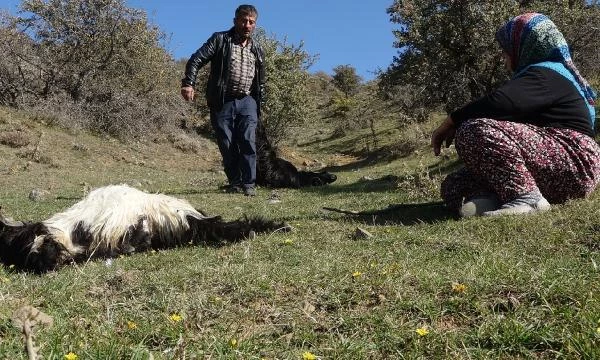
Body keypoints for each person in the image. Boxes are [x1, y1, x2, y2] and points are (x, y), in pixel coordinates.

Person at [431, 12, 599, 217]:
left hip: (574, 161)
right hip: (558, 168)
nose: (503, 57)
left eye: (505, 50)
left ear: (525, 46)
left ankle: (528, 200)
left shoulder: (547, 73)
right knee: (454, 185)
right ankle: (497, 198)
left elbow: (501, 102)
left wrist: (452, 120)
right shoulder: (543, 75)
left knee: (473, 130)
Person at [181, 4, 265, 197]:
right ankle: (235, 182)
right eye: (243, 20)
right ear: (235, 21)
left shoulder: (257, 49)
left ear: (255, 25)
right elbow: (196, 59)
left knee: (247, 140)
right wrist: (189, 83)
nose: (247, 25)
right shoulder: (220, 40)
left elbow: (261, 81)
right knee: (226, 143)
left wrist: (260, 102)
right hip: (223, 100)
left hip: (248, 101)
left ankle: (249, 184)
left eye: (251, 22)